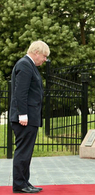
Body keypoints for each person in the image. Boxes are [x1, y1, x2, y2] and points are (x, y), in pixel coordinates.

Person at [9, 40, 50, 193]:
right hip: (24, 118)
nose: (45, 59)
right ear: (37, 52)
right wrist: (23, 114)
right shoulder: (25, 65)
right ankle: (20, 184)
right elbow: (20, 93)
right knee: (23, 152)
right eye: (44, 56)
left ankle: (24, 182)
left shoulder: (29, 65)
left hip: (29, 117)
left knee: (26, 152)